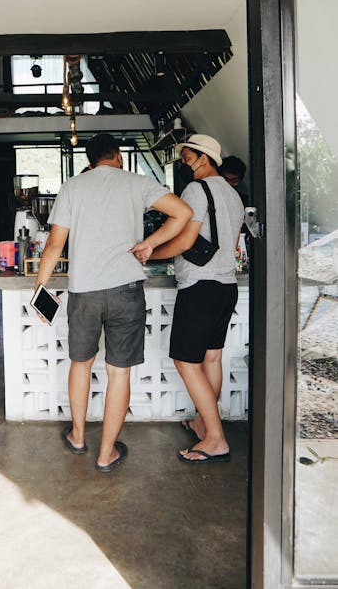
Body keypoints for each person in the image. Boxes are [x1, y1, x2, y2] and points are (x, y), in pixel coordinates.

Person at [33, 133, 192, 473]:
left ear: (89, 161)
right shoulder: (137, 182)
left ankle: (77, 436)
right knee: (119, 373)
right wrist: (149, 244)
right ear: (118, 155)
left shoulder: (73, 187)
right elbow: (183, 213)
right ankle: (106, 454)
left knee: (81, 363)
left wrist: (40, 293)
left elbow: (53, 246)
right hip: (125, 289)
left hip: (84, 292)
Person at [131, 134, 244, 464]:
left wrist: (151, 254)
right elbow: (232, 243)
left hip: (200, 286)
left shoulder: (196, 189)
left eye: (186, 157)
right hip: (226, 286)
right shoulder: (233, 194)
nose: (182, 162)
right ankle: (204, 422)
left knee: (185, 360)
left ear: (204, 158)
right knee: (211, 359)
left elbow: (184, 242)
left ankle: (215, 439)